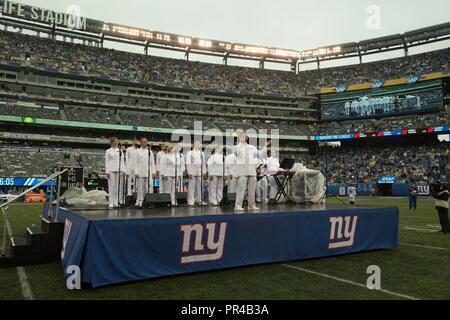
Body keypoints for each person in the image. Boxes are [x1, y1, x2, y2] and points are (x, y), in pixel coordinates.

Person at [233, 132, 270, 212]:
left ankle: (252, 205)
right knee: (241, 188)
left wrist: (265, 146)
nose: (242, 137)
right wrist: (241, 142)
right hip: (242, 171)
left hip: (252, 170)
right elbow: (236, 152)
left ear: (247, 137)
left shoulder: (252, 147)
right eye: (241, 136)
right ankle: (238, 205)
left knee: (252, 189)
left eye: (244, 136)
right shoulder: (237, 147)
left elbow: (260, 154)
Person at [105, 137, 126, 209]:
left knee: (117, 187)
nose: (116, 142)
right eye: (115, 141)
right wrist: (107, 171)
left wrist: (123, 170)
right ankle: (111, 202)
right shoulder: (108, 151)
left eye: (117, 141)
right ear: (112, 142)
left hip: (119, 170)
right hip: (111, 170)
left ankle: (116, 202)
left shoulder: (120, 150)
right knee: (111, 186)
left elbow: (122, 161)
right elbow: (107, 161)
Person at [134, 138, 156, 207]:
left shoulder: (149, 151)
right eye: (143, 142)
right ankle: (139, 201)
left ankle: (149, 200)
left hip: (148, 172)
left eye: (146, 142)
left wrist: (153, 172)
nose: (145, 143)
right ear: (140, 143)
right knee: (140, 188)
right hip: (140, 172)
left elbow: (152, 163)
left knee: (149, 187)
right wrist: (136, 172)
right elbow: (135, 163)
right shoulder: (137, 151)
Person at [186, 141, 207, 206]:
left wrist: (204, 171)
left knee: (200, 187)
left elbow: (203, 162)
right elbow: (188, 163)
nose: (198, 145)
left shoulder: (202, 153)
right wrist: (189, 172)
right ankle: (191, 200)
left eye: (199, 144)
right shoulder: (189, 153)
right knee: (191, 187)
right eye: (196, 144)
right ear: (193, 145)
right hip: (192, 172)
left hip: (199, 171)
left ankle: (200, 200)